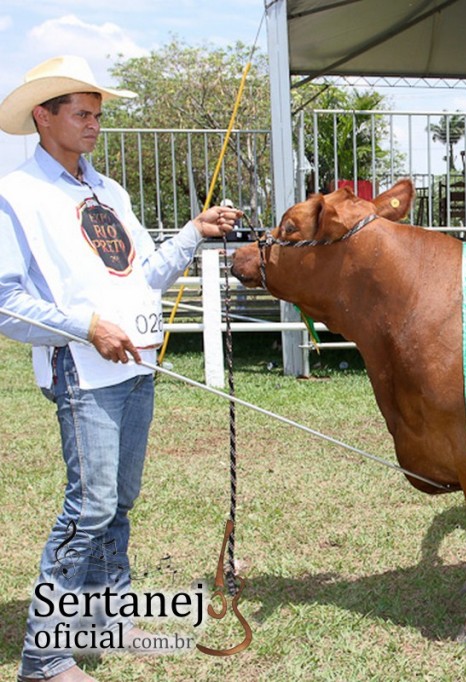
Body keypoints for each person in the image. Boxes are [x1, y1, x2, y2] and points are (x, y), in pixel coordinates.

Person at [0, 55, 240, 682]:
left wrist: (192, 232)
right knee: (90, 508)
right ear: (42, 117)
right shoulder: (16, 196)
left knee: (117, 504)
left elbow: (144, 277)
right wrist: (85, 328)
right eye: (81, 113)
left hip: (134, 367)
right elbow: (5, 301)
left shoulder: (110, 192)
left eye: (97, 115)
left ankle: (109, 620)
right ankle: (45, 657)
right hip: (81, 369)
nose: (93, 125)